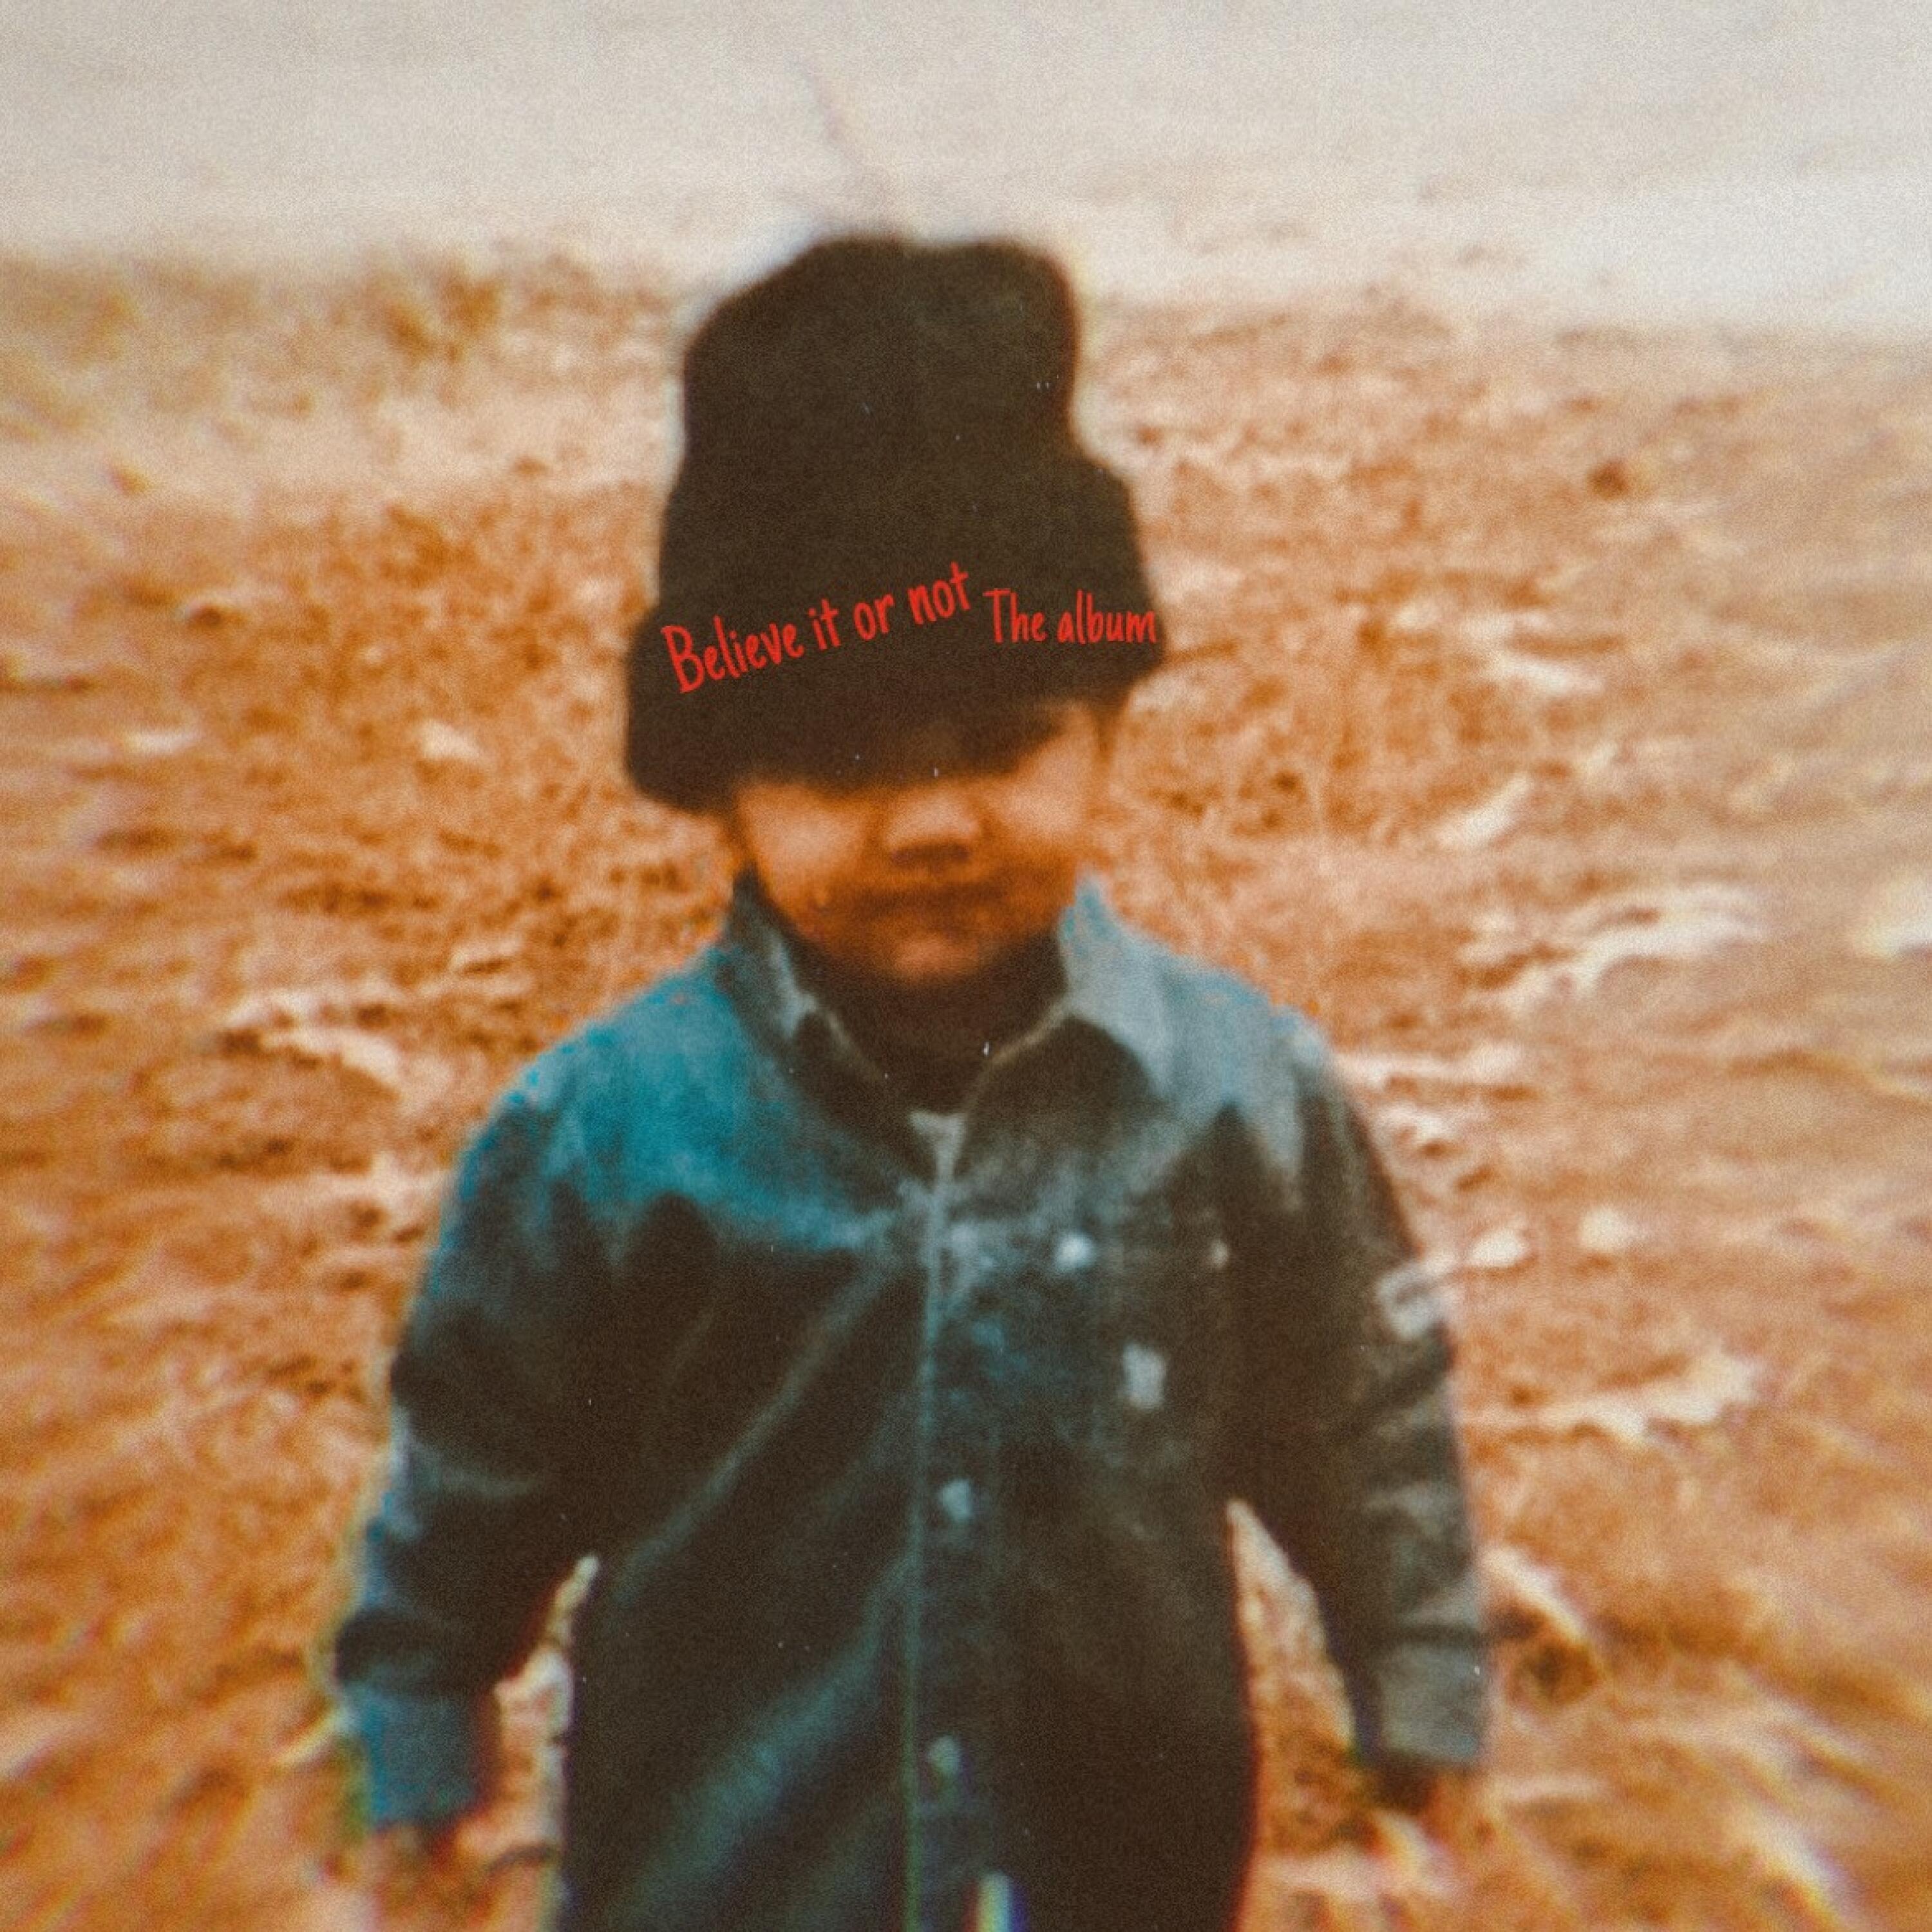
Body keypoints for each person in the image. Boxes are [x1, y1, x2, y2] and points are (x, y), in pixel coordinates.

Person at [330, 234, 1487, 1932]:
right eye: (844, 761)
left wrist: (1425, 1698)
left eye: (1005, 743)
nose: (935, 821)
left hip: (1119, 1881)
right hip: (724, 1883)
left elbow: (1362, 1416)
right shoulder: (603, 1135)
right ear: (722, 789)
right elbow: (476, 1465)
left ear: (1107, 730)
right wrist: (421, 1743)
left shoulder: (1237, 1095)